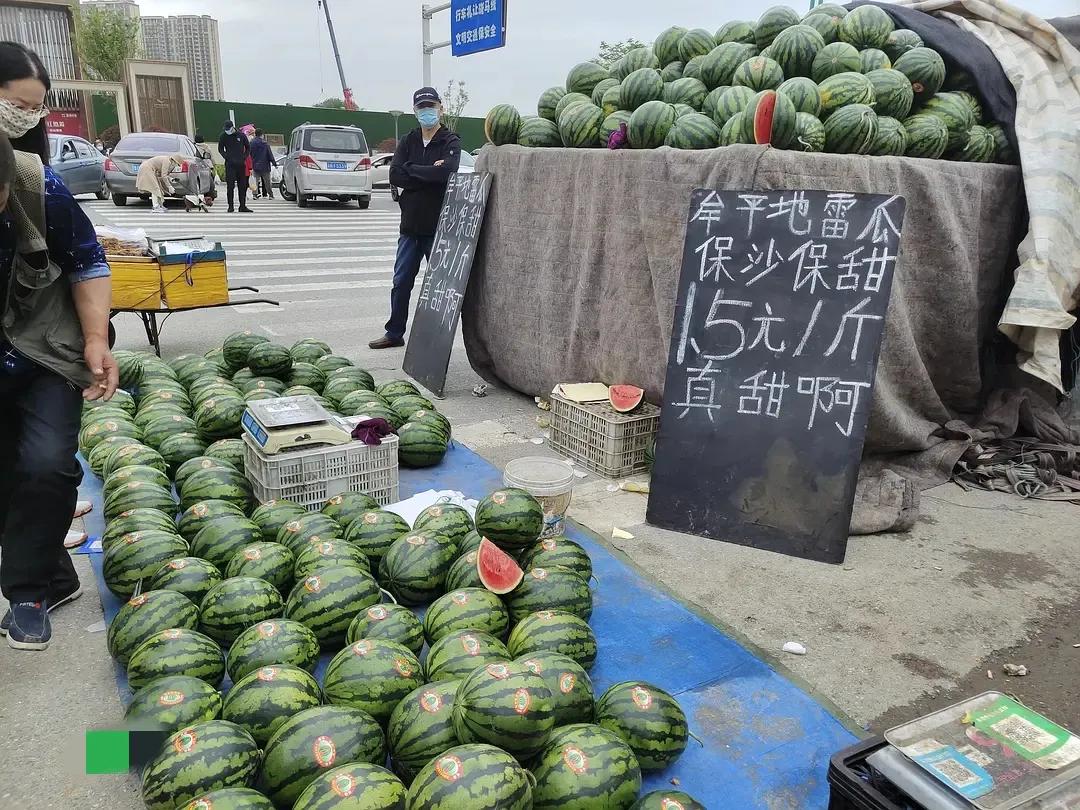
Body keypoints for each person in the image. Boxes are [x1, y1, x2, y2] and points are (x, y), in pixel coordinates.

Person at [0, 41, 118, 651]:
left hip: (43, 350)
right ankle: (52, 571)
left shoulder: (35, 183)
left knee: (46, 465)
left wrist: (96, 341)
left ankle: (26, 593)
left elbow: (88, 260)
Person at [369, 87, 460, 349]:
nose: (427, 111)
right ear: (415, 111)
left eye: (431, 106)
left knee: (441, 288)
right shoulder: (409, 140)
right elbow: (395, 175)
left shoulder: (450, 141)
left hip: (438, 229)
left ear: (441, 108)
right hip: (410, 228)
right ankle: (394, 333)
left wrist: (413, 171)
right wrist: (428, 171)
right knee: (401, 283)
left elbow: (447, 173)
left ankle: (438, 341)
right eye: (422, 108)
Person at [217, 120, 251, 213]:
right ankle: (230, 206)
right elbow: (220, 149)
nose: (227, 130)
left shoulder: (241, 136)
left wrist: (244, 156)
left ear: (232, 127)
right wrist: (226, 156)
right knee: (230, 186)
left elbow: (248, 147)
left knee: (242, 186)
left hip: (241, 164)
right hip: (230, 164)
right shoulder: (223, 136)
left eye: (228, 129)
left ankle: (242, 206)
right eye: (226, 129)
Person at [249, 128, 276, 200]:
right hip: (265, 166)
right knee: (267, 182)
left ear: (255, 134)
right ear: (261, 135)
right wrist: (274, 163)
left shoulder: (251, 143)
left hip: (255, 165)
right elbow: (269, 154)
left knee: (255, 181)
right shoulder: (265, 143)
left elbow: (249, 154)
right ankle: (270, 195)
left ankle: (255, 195)